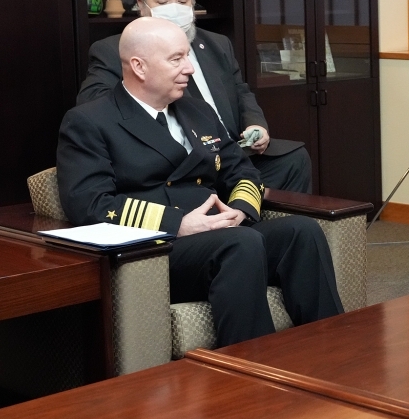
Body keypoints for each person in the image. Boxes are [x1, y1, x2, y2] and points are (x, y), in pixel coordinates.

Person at [58, 17, 344, 347]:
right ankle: (254, 372)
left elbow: (243, 172)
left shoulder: (197, 111)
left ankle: (332, 352)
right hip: (156, 251)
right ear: (139, 66)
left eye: (188, 56)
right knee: (241, 243)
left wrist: (239, 210)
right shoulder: (90, 121)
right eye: (176, 58)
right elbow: (88, 204)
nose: (190, 68)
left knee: (301, 232)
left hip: (217, 235)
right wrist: (178, 223)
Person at [77, 0, 313, 194]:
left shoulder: (217, 43)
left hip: (233, 151)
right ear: (141, 6)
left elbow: (240, 90)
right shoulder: (116, 50)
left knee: (293, 160)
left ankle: (268, 225)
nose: (174, 8)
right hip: (185, 158)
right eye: (163, 2)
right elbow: (94, 103)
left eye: (182, 1)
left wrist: (255, 123)